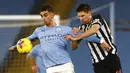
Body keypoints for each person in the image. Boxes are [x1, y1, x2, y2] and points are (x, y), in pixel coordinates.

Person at [9, 5, 107, 73]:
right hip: (50, 69)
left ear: (52, 15)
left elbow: (85, 35)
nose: (43, 18)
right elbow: (27, 40)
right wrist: (15, 47)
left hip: (65, 66)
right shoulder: (39, 31)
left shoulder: (64, 29)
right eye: (42, 16)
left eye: (46, 15)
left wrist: (100, 40)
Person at [65, 4, 122, 73]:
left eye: (83, 15)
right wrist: (74, 36)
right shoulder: (81, 28)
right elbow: (74, 47)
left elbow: (94, 30)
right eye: (79, 16)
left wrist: (77, 37)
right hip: (98, 62)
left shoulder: (97, 18)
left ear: (89, 13)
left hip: (111, 56)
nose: (81, 18)